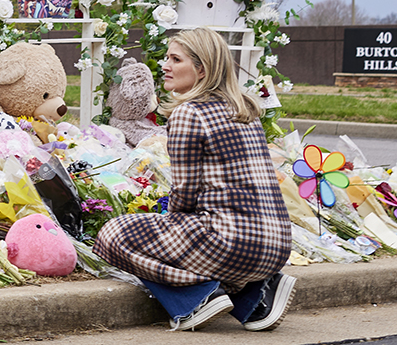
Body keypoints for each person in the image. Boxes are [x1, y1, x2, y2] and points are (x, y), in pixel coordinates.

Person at [93, 27, 295, 332]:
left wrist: (163, 230)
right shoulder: (246, 110)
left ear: (201, 69)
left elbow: (185, 194)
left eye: (176, 59)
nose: (165, 65)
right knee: (179, 236)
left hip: (230, 243)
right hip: (277, 243)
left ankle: (196, 299)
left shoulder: (189, 113)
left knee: (113, 235)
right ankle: (255, 296)